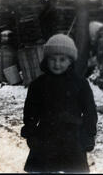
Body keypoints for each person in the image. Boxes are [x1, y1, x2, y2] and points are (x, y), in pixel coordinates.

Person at [21, 34, 98, 173]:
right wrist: (31, 132)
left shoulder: (80, 84)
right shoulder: (38, 85)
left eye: (62, 60)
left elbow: (89, 111)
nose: (57, 64)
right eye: (53, 59)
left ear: (70, 61)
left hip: (73, 139)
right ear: (46, 60)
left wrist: (89, 135)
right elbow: (30, 111)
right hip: (45, 138)